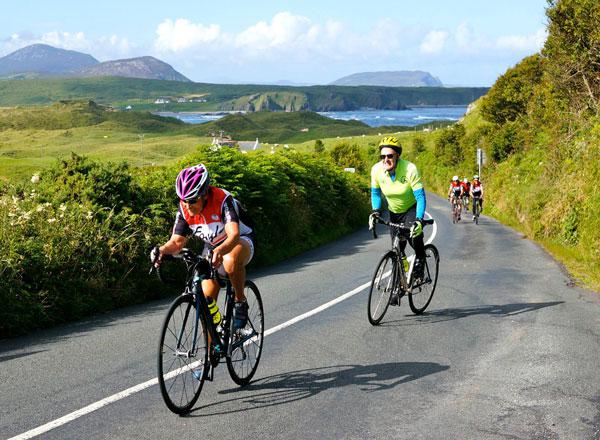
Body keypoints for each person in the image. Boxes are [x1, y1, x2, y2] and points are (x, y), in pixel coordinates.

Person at [150, 164, 255, 330]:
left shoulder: (222, 200)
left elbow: (233, 235)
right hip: (213, 245)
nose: (187, 205)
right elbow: (176, 242)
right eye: (183, 200)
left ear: (205, 194)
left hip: (240, 240)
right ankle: (214, 343)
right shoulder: (185, 208)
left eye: (192, 200)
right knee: (206, 304)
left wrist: (220, 250)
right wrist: (161, 250)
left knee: (230, 260)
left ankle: (240, 301)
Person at [368, 136, 427, 306]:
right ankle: (399, 286)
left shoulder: (410, 169)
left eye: (390, 156)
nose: (386, 159)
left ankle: (420, 260)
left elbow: (420, 197)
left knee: (414, 237)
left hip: (410, 209)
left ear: (397, 156)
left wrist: (419, 220)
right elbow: (375, 193)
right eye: (382, 156)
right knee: (397, 250)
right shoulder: (376, 170)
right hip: (393, 212)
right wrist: (375, 212)